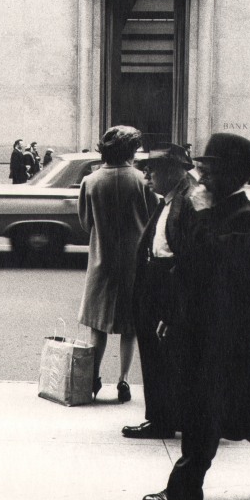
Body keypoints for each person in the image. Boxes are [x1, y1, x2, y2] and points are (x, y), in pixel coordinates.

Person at [142, 133, 250, 500]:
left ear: (233, 175)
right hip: (196, 327)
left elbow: (215, 264)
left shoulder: (247, 219)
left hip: (224, 335)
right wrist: (172, 314)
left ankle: (185, 489)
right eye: (202, 170)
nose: (202, 179)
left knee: (202, 411)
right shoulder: (211, 211)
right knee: (235, 410)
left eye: (210, 171)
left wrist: (200, 213)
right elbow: (185, 265)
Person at [122, 144, 196, 440]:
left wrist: (170, 308)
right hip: (155, 283)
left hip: (169, 284)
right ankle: (163, 417)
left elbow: (190, 259)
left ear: (171, 171)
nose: (146, 175)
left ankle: (163, 420)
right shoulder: (169, 198)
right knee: (155, 356)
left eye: (152, 169)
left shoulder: (188, 201)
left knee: (165, 357)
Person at [79, 126, 157, 402]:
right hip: (134, 262)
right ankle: (123, 380)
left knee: (97, 325)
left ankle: (94, 378)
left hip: (101, 260)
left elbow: (85, 222)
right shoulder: (141, 180)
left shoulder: (90, 181)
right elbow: (153, 219)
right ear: (131, 151)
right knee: (130, 326)